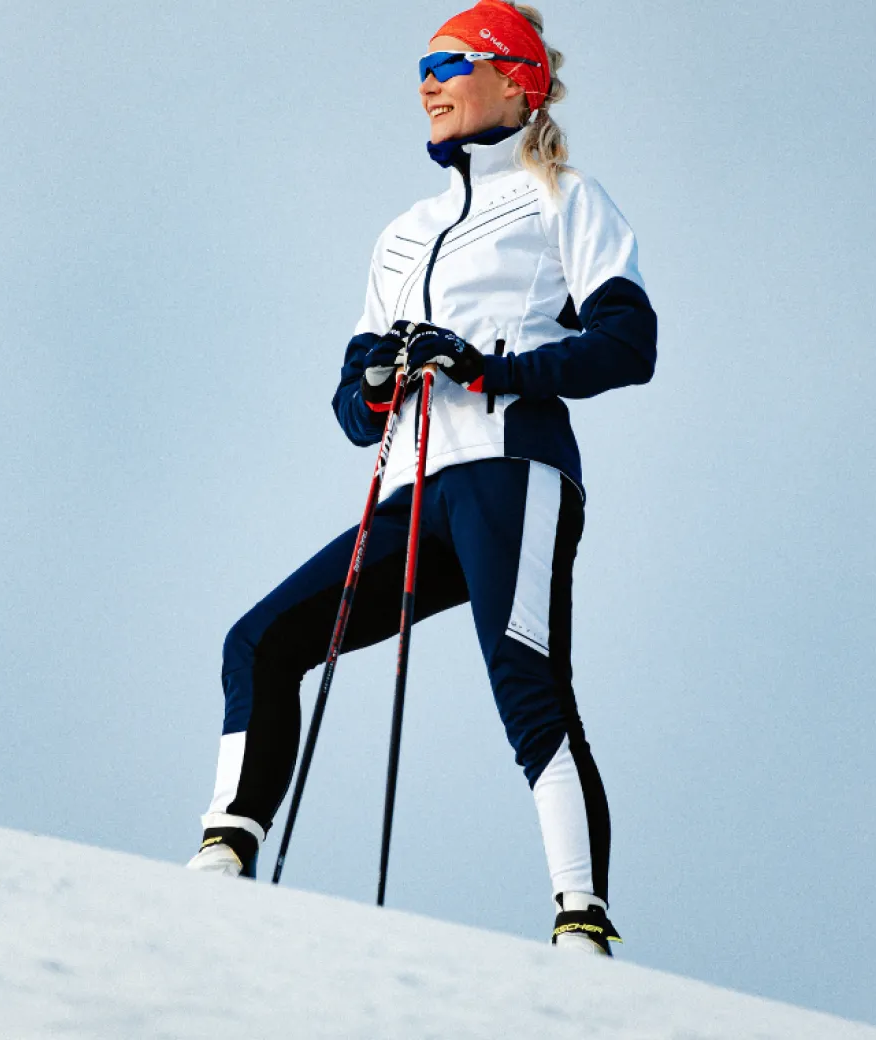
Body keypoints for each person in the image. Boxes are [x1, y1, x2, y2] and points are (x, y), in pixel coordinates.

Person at [187, 0, 657, 956]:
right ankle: (223, 858)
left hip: (510, 471)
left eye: (448, 63)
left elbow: (628, 343)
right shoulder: (404, 233)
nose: (426, 84)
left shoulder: (564, 197)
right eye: (420, 68)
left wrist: (487, 367)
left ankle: (581, 921)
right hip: (412, 493)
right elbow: (350, 410)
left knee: (526, 683)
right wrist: (373, 384)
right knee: (261, 641)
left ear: (514, 80)